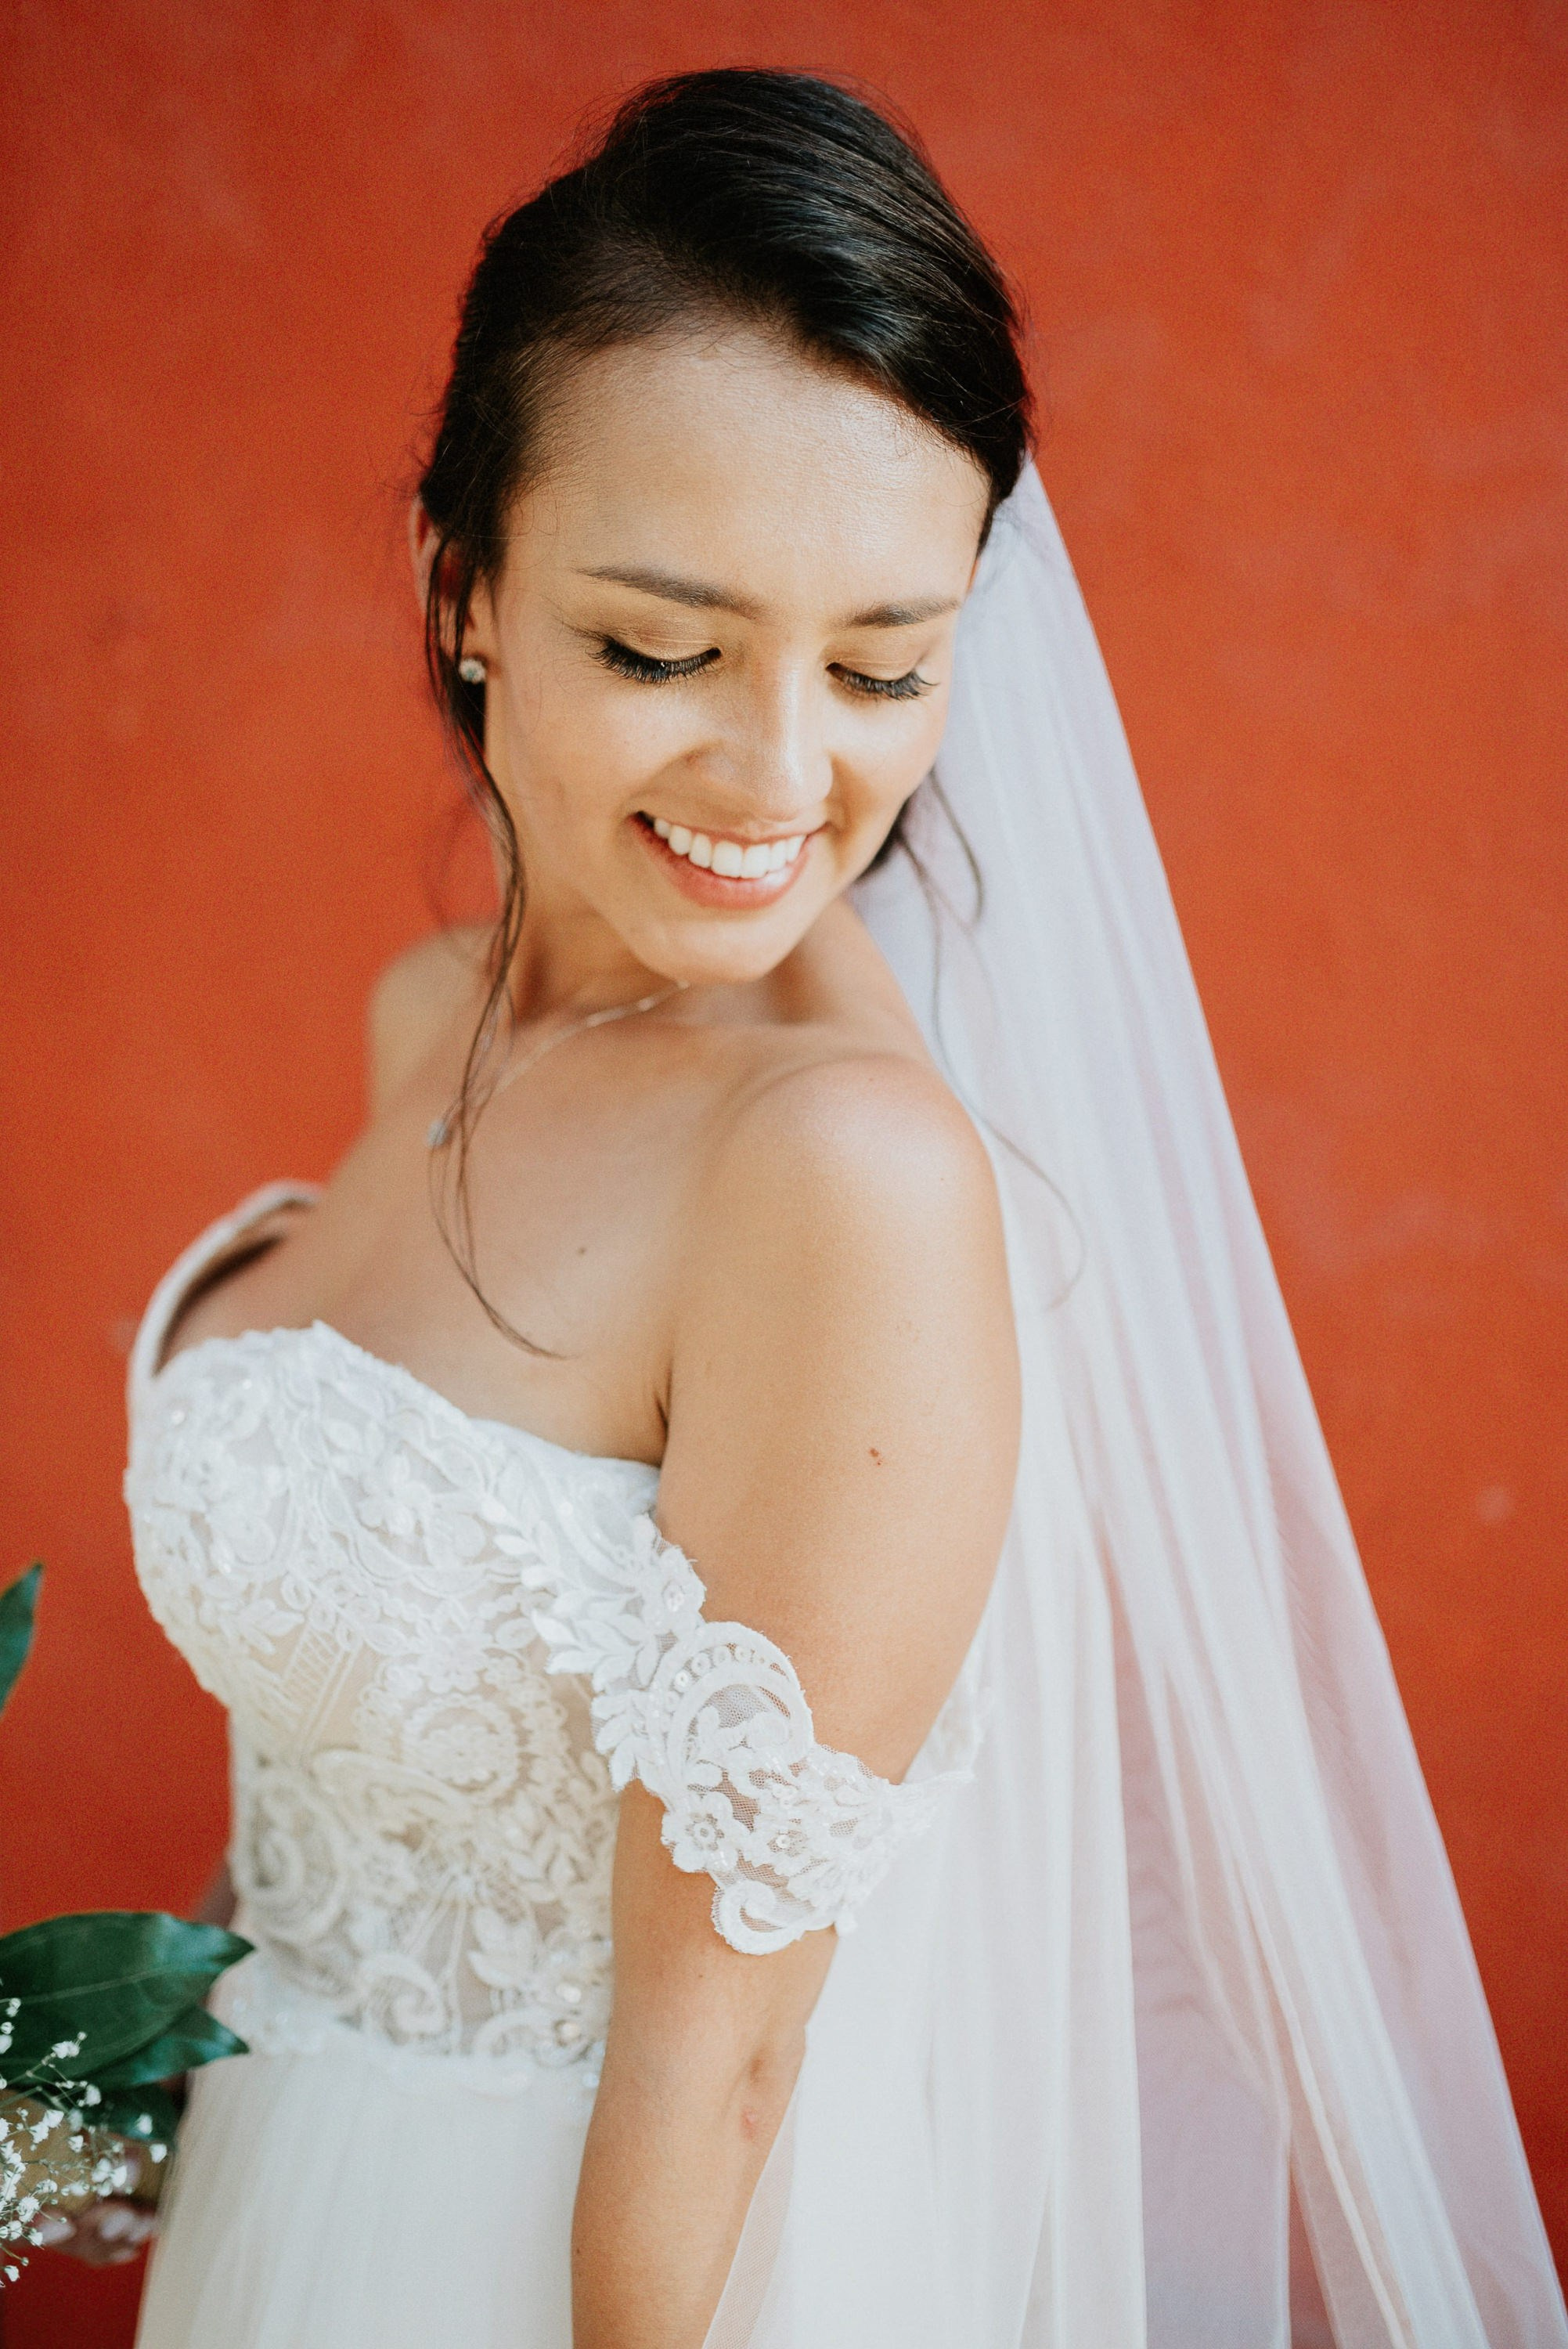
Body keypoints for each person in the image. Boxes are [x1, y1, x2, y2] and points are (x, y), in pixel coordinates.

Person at [88, 67, 1563, 2349]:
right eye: (663, 648)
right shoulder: (428, 1022)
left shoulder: (843, 1180)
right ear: (464, 588)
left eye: (884, 665)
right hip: (293, 2210)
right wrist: (101, 2094)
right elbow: (358, 1764)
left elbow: (731, 2060)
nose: (787, 776)